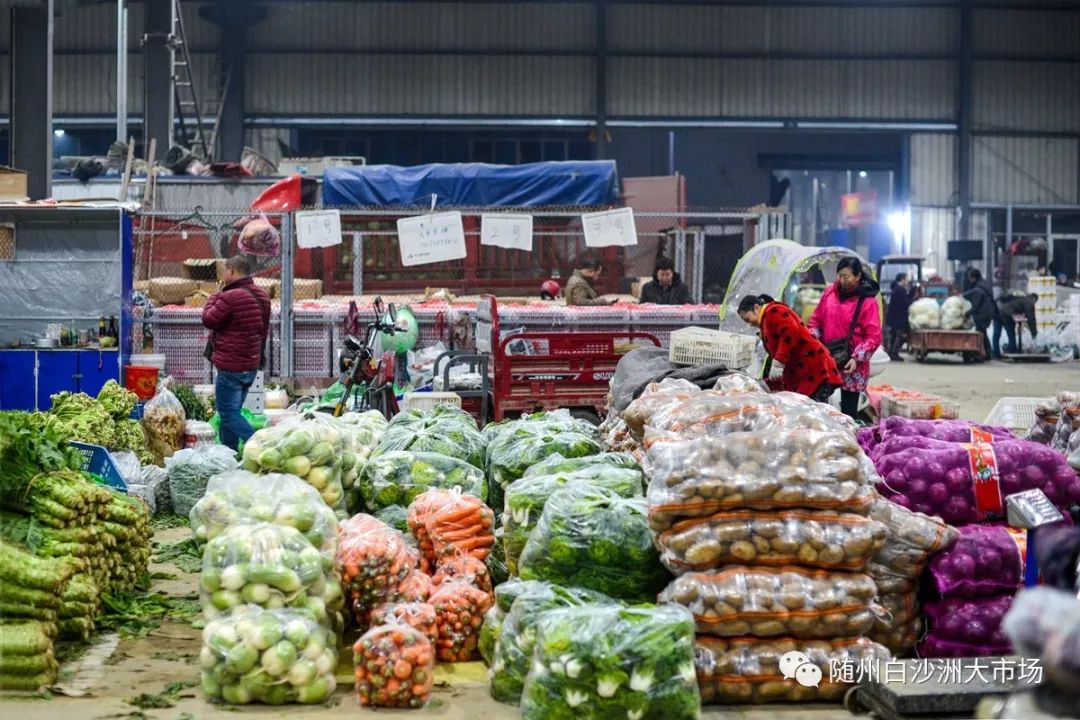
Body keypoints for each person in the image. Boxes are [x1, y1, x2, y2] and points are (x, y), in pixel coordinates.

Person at [201, 255, 271, 451]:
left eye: (225, 270)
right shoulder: (262, 296)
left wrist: (213, 297)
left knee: (228, 413)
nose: (223, 275)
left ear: (232, 271)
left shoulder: (229, 297)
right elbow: (263, 330)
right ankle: (228, 454)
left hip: (231, 366)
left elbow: (208, 319)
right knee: (231, 413)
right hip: (250, 364)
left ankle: (260, 446)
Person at [808, 257, 882, 419]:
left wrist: (857, 358)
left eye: (846, 276)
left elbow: (874, 336)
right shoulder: (829, 294)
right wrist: (814, 341)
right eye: (839, 276)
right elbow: (815, 321)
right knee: (821, 407)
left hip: (852, 363)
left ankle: (849, 440)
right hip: (829, 358)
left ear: (858, 276)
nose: (842, 280)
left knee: (848, 412)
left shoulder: (868, 302)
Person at [738, 295, 843, 403]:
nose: (750, 324)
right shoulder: (765, 322)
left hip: (815, 370)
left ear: (756, 307)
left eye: (748, 319)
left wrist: (779, 361)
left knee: (814, 413)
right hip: (805, 373)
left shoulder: (773, 311)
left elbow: (790, 332)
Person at [962, 268, 998, 359]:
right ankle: (988, 353)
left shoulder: (978, 289)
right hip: (988, 313)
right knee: (983, 333)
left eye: (970, 278)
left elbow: (976, 306)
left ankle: (981, 353)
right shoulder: (984, 284)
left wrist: (967, 313)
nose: (969, 280)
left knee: (980, 334)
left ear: (973, 278)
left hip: (982, 314)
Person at [993, 291, 1038, 357]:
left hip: (998, 312)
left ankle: (996, 353)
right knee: (1011, 333)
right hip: (1007, 314)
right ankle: (1012, 350)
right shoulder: (1029, 302)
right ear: (1034, 299)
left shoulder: (1020, 298)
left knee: (996, 335)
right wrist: (1034, 332)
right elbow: (1031, 318)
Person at [885, 273, 913, 361]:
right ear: (902, 279)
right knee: (899, 336)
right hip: (898, 318)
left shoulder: (897, 289)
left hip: (894, 317)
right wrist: (913, 300)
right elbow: (904, 303)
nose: (907, 281)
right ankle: (894, 353)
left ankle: (892, 352)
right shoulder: (900, 289)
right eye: (906, 279)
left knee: (894, 335)